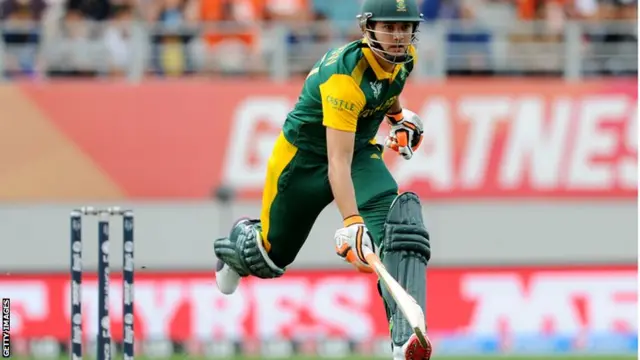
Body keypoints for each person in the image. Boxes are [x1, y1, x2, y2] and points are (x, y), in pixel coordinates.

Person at [213, 0, 432, 359]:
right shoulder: (344, 79)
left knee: (399, 226)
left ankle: (403, 337)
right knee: (270, 258)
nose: (397, 36)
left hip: (359, 152)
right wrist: (352, 223)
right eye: (389, 27)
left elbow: (386, 92)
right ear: (368, 28)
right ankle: (238, 245)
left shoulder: (405, 58)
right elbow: (336, 162)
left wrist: (398, 118)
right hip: (304, 161)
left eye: (404, 27)